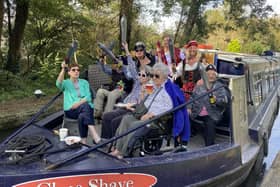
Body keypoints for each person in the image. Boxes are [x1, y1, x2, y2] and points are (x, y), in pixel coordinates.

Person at [110, 63, 190, 158]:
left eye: (157, 76)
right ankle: (118, 149)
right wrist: (144, 92)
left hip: (157, 120)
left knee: (134, 125)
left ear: (164, 76)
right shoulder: (154, 85)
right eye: (152, 75)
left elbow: (168, 107)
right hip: (144, 113)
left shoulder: (169, 90)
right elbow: (146, 99)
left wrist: (151, 115)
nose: (154, 78)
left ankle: (123, 153)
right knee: (126, 119)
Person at [56, 62, 101, 144]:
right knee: (86, 107)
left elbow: (88, 97)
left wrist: (78, 103)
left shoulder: (84, 82)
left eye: (78, 70)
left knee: (82, 115)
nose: (76, 71)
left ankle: (83, 141)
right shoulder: (66, 83)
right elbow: (58, 83)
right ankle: (94, 135)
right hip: (71, 110)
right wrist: (63, 69)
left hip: (83, 108)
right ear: (69, 72)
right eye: (73, 70)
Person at [187, 64, 228, 146]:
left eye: (213, 74)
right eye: (208, 74)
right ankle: (182, 143)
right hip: (196, 112)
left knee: (209, 123)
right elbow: (192, 97)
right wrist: (188, 108)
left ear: (216, 76)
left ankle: (209, 146)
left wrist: (217, 100)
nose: (211, 76)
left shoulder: (220, 87)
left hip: (211, 113)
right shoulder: (199, 85)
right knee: (182, 115)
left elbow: (224, 101)